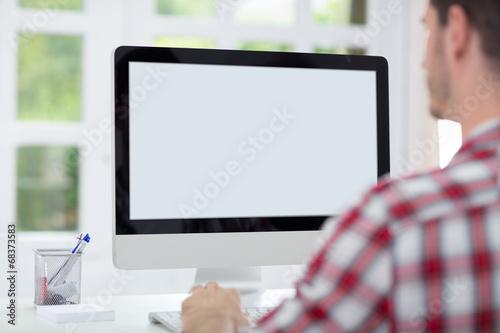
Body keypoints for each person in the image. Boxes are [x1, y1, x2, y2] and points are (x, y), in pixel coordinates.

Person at [181, 1, 500, 332]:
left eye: (428, 29)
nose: (421, 60)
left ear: (457, 33)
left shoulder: (398, 222)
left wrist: (210, 320)